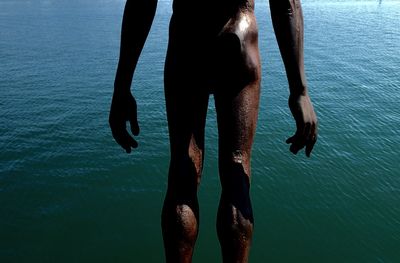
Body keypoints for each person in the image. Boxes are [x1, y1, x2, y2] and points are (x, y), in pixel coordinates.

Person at [109, 0, 318, 262]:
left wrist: (122, 86)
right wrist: (299, 90)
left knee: (182, 177)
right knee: (236, 173)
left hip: (186, 47)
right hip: (238, 41)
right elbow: (286, 3)